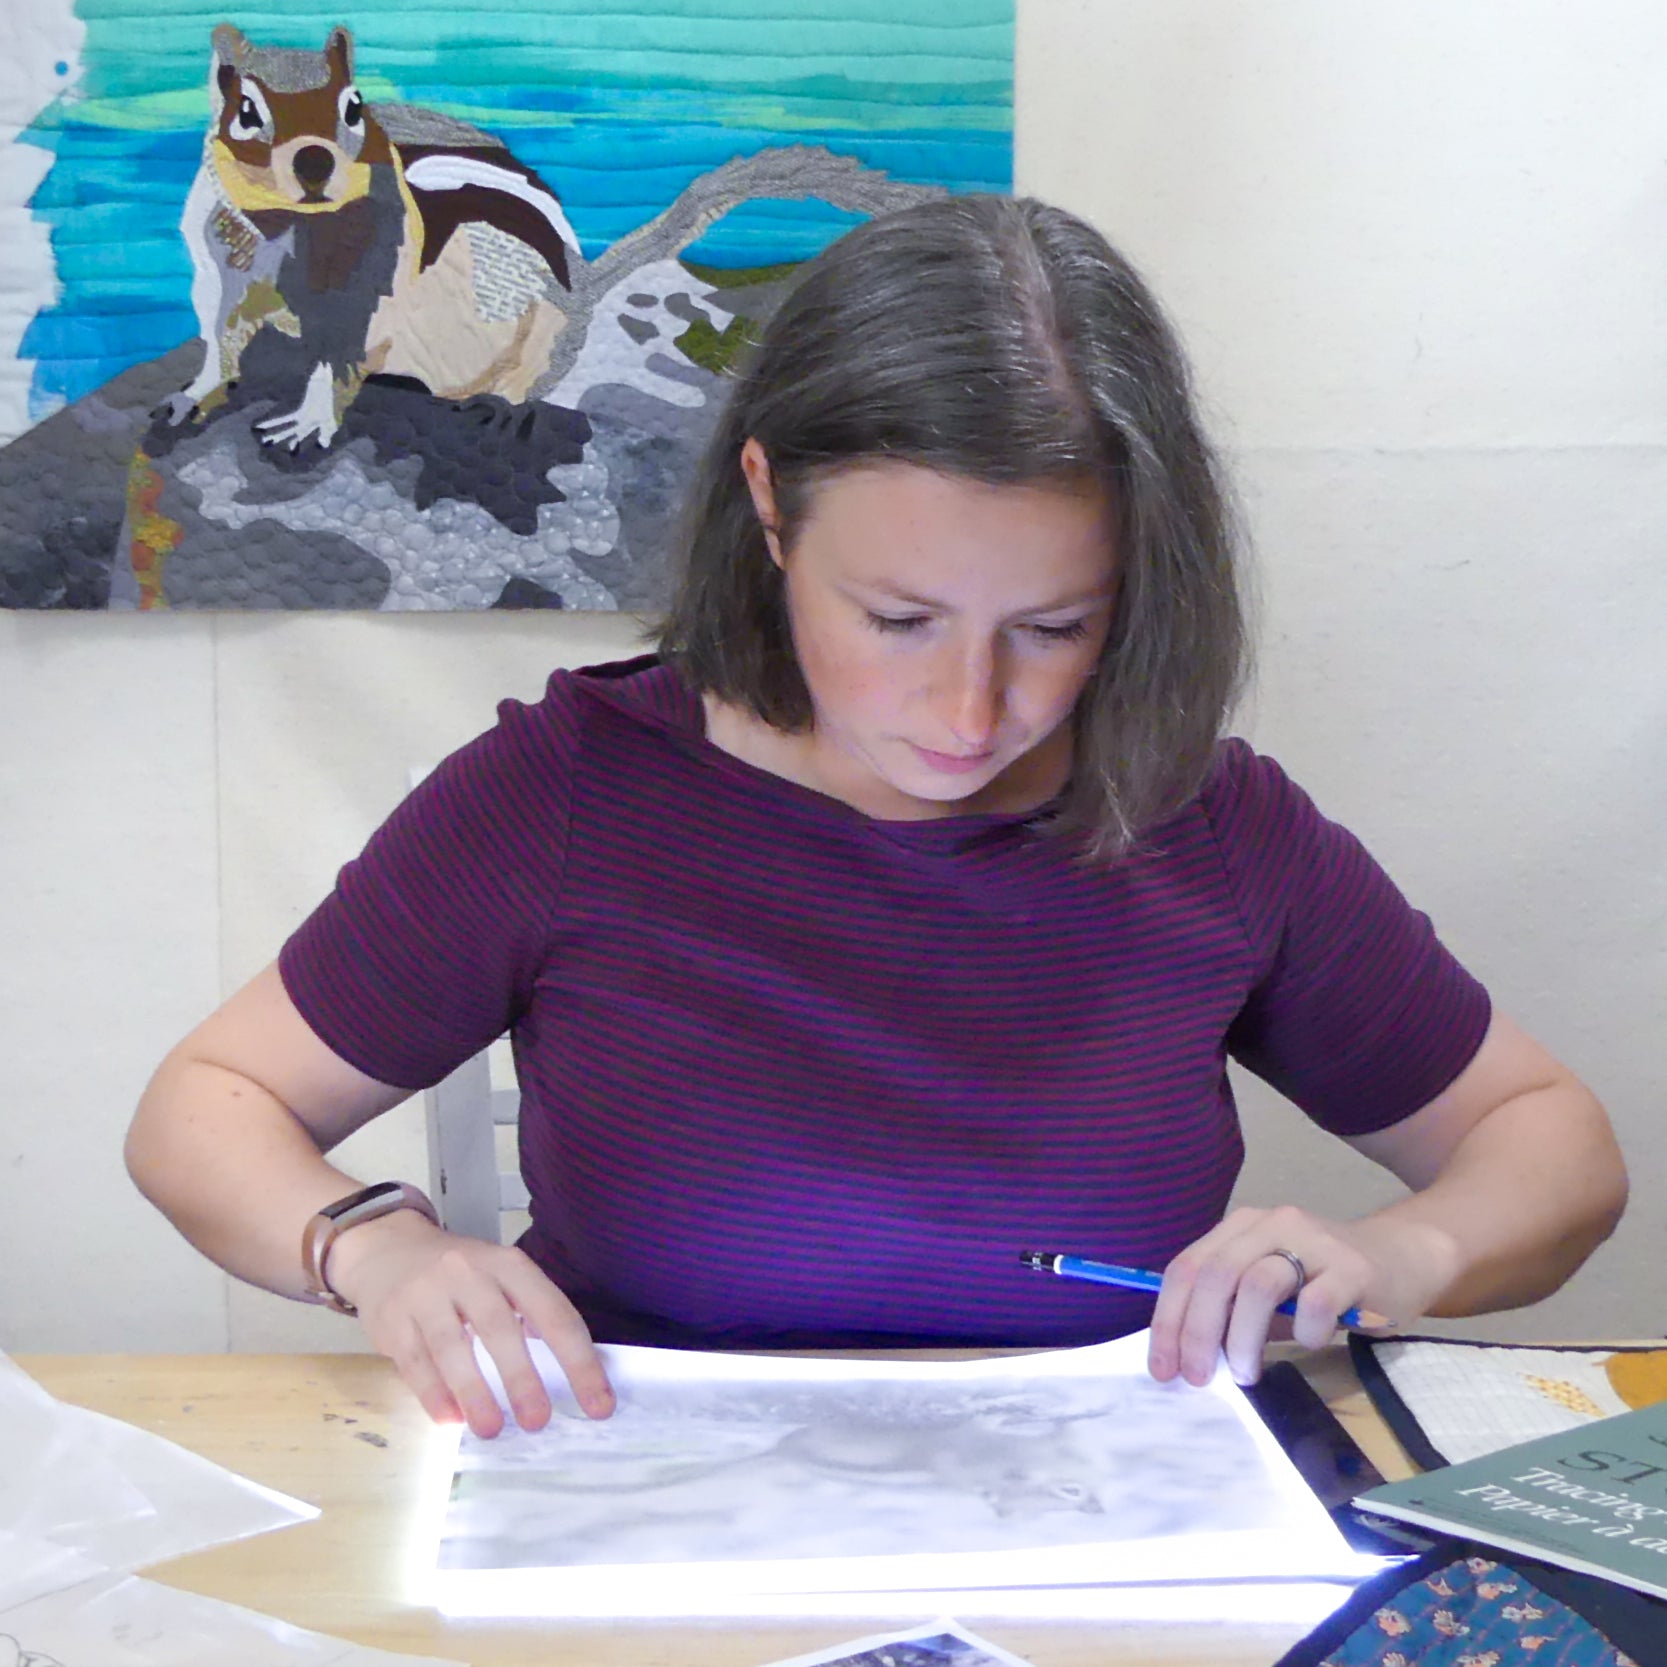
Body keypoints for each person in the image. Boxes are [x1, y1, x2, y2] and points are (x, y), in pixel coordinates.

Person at [126, 194, 1627, 1441]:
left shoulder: (1204, 822)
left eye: (1055, 627)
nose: (970, 713)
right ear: (771, 508)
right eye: (898, 619)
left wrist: (1395, 1253)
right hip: (641, 1518)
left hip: (1104, 1532)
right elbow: (205, 1109)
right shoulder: (570, 796)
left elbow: (1550, 1145)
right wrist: (372, 1245)